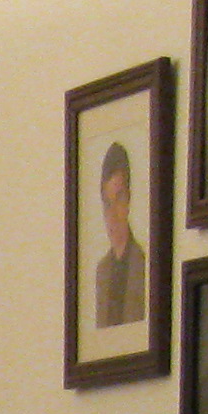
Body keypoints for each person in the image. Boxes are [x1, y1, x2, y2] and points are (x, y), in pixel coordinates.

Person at [91, 137, 148, 330]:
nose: (112, 214)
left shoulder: (144, 265)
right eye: (107, 204)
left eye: (119, 199)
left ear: (129, 200)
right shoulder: (101, 271)